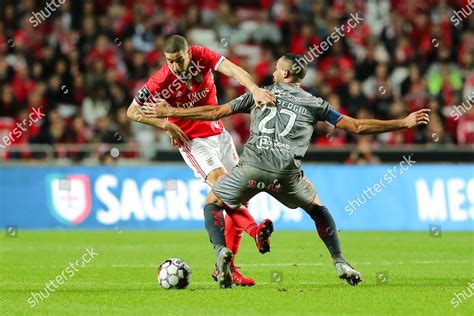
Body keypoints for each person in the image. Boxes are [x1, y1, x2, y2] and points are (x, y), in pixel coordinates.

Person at [143, 53, 431, 289]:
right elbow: (357, 126)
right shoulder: (315, 103)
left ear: (284, 74)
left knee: (213, 204)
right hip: (287, 175)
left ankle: (221, 254)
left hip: (252, 168)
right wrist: (403, 123)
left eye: (277, 69)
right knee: (317, 207)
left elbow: (214, 112)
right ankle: (340, 261)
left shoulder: (260, 93)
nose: (272, 72)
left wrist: (172, 112)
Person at [127, 35, 276, 286]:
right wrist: (165, 125)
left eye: (179, 59)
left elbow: (232, 70)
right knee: (222, 184)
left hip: (219, 133)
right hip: (193, 141)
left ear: (188, 53)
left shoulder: (202, 55)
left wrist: (255, 89)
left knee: (242, 194)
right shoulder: (160, 80)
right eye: (170, 61)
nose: (175, 65)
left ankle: (228, 269)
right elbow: (131, 111)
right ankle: (254, 231)